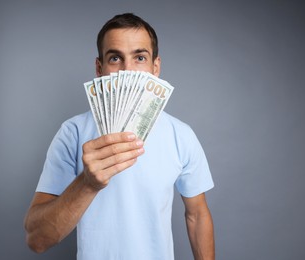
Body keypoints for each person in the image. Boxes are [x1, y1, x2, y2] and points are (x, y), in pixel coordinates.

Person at [24, 13, 215, 260]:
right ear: (99, 68)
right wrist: (88, 183)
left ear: (155, 68)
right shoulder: (72, 133)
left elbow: (197, 215)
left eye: (139, 57)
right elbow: (37, 240)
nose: (128, 70)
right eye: (115, 58)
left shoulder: (181, 135)